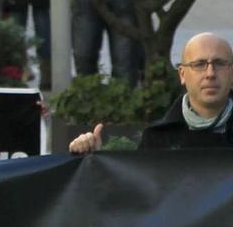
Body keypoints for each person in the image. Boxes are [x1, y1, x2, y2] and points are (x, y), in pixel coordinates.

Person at [72, 32, 233, 152]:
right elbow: (138, 192)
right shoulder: (156, 139)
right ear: (182, 74)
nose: (210, 73)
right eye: (199, 64)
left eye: (219, 63)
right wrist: (94, 159)